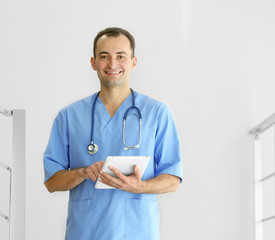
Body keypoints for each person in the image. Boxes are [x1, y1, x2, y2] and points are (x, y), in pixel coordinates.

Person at [43, 27, 183, 240]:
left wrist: (140, 186)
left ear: (133, 62)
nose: (112, 64)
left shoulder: (157, 113)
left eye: (121, 56)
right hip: (86, 233)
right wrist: (82, 173)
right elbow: (52, 182)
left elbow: (173, 180)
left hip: (138, 233)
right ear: (93, 62)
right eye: (104, 56)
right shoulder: (69, 116)